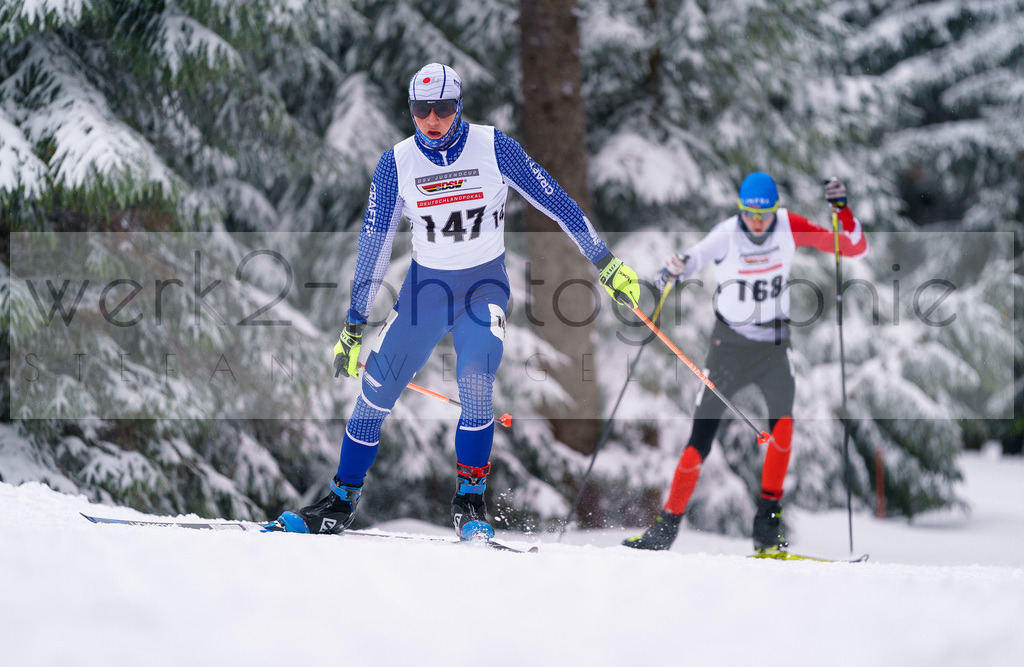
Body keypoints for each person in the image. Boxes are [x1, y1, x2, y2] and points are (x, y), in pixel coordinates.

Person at [266, 63, 640, 539]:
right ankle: (341, 500)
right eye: (422, 110)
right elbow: (375, 246)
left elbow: (555, 199)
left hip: (483, 288)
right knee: (377, 387)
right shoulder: (396, 163)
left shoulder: (493, 147)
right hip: (427, 291)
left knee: (477, 376)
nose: (432, 119)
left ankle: (469, 502)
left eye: (443, 108)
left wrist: (603, 261)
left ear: (459, 106)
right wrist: (354, 324)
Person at [623, 172, 869, 553]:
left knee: (783, 430)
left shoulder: (788, 225)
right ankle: (665, 528)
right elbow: (687, 263)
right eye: (749, 214)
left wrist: (842, 211)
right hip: (728, 350)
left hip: (773, 349)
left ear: (774, 209)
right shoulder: (726, 234)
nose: (757, 222)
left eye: (764, 214)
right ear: (741, 210)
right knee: (698, 442)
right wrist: (668, 272)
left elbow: (853, 248)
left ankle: (767, 527)